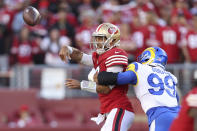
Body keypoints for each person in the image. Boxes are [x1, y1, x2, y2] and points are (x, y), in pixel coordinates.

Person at [59, 23, 135, 131]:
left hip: (119, 108)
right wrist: (68, 49)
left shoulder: (116, 54)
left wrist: (81, 85)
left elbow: (106, 88)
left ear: (112, 40)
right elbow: (81, 57)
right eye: (97, 38)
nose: (97, 42)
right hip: (111, 109)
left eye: (101, 38)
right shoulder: (101, 56)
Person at [94, 47, 180, 131]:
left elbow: (120, 78)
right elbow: (177, 98)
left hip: (160, 116)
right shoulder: (170, 76)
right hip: (178, 114)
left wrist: (101, 76)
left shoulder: (140, 68)